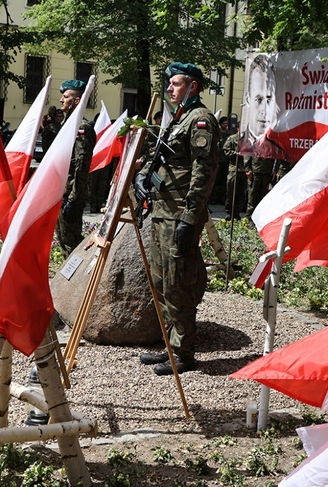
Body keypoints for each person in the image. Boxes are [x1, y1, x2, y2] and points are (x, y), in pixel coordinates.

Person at [136, 62, 219, 375]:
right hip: (161, 210)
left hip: (179, 213)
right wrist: (144, 176)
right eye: (169, 83)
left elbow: (203, 173)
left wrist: (189, 217)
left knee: (177, 282)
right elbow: (160, 156)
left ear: (193, 86)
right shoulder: (178, 118)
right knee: (161, 281)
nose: (169, 88)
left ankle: (183, 353)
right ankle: (171, 345)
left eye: (176, 83)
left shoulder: (201, 120)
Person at [55, 79, 96, 258]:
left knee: (71, 243)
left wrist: (74, 198)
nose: (61, 100)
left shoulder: (82, 127)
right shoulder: (67, 125)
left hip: (71, 193)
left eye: (65, 97)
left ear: (77, 101)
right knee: (63, 240)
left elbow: (82, 165)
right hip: (62, 190)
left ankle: (74, 283)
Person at [222, 130, 247, 220]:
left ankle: (237, 212)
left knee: (241, 193)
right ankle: (229, 212)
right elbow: (226, 150)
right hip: (234, 168)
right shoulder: (232, 138)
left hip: (244, 170)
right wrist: (236, 154)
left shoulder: (247, 139)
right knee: (231, 192)